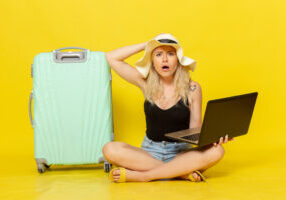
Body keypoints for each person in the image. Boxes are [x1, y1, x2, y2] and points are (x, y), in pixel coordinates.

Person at [102, 33, 233, 183]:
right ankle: (181, 173)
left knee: (218, 151)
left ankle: (144, 176)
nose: (164, 59)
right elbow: (112, 57)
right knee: (109, 149)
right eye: (158, 54)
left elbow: (195, 129)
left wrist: (213, 139)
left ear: (178, 59)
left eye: (170, 54)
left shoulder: (193, 88)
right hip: (149, 153)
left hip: (181, 153)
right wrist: (148, 45)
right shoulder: (145, 84)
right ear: (152, 61)